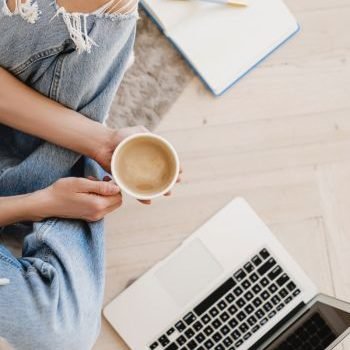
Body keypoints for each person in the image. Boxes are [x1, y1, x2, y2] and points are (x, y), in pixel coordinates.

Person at [0, 0, 180, 349]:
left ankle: (68, 152)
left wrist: (103, 142)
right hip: (31, 189)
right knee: (62, 329)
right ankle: (60, 164)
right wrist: (38, 203)